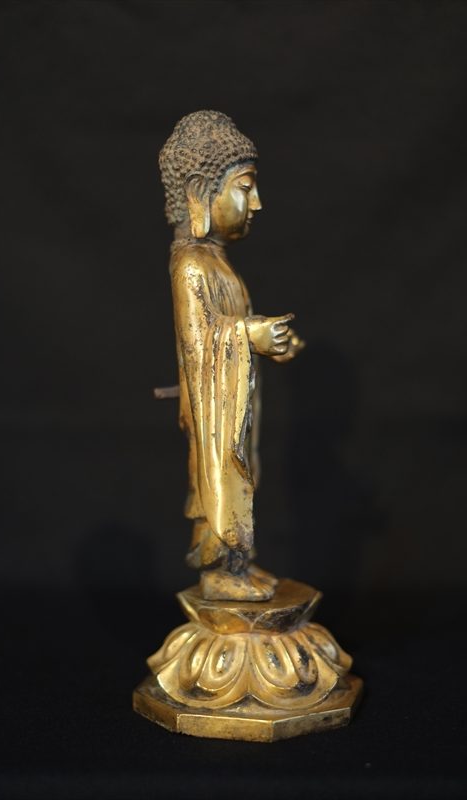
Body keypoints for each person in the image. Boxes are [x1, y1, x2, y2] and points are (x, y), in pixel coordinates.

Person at [159, 110, 304, 600]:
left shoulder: (217, 262)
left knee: (243, 470)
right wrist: (247, 336)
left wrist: (268, 339)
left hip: (233, 400)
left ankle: (238, 565)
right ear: (200, 191)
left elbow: (230, 325)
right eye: (245, 187)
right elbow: (201, 341)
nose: (256, 202)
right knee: (217, 478)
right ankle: (219, 569)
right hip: (211, 409)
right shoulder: (191, 266)